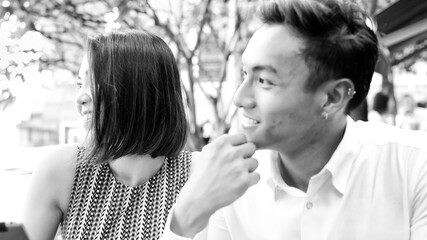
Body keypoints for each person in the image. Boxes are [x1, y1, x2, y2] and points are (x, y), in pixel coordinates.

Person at [161, 0, 427, 239]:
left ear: (333, 97)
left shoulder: (413, 166)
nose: (240, 98)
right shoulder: (229, 182)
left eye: (264, 81)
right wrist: (185, 219)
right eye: (245, 74)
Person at [22, 30, 191, 240]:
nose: (80, 98)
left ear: (135, 88)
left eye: (93, 82)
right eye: (79, 84)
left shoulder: (196, 174)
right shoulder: (64, 170)